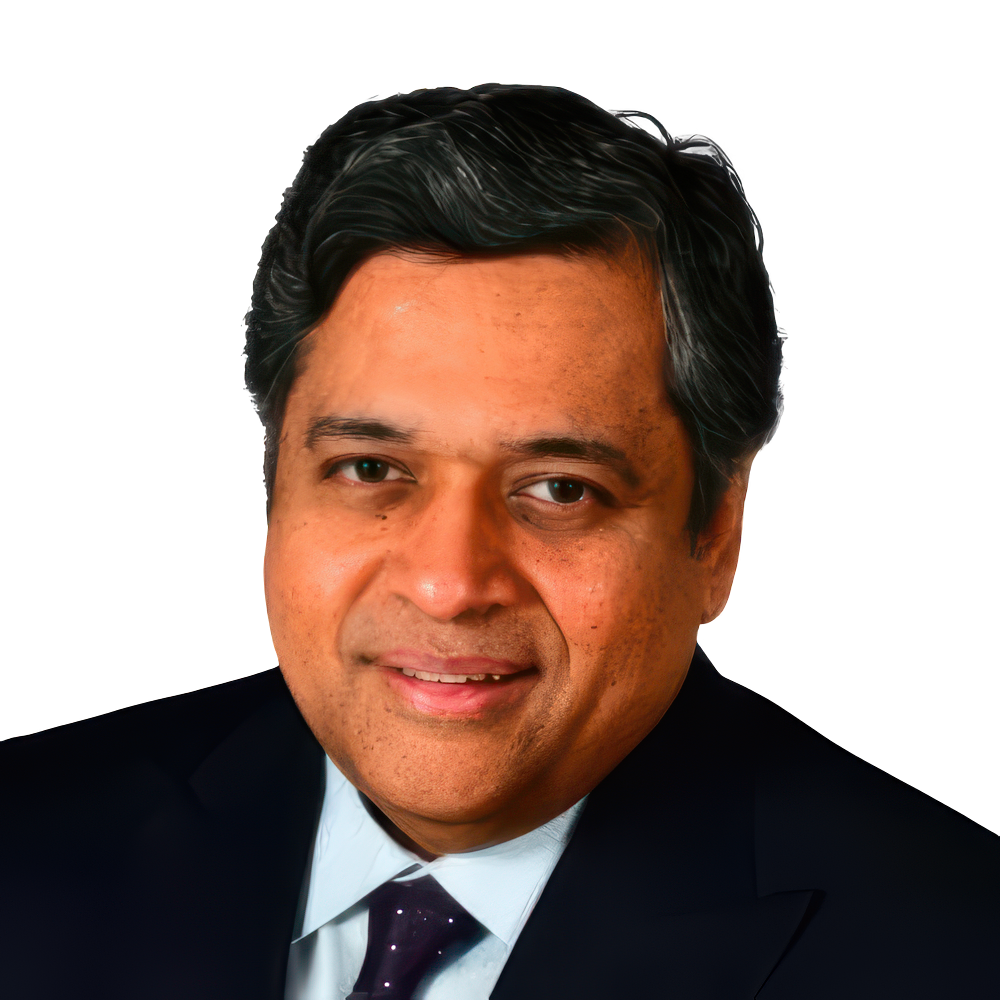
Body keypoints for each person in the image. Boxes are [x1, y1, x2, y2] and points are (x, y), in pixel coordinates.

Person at [4, 83, 996, 999]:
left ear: (716, 535)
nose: (446, 584)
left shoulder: (955, 950)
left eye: (560, 490)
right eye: (371, 469)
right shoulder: (21, 835)